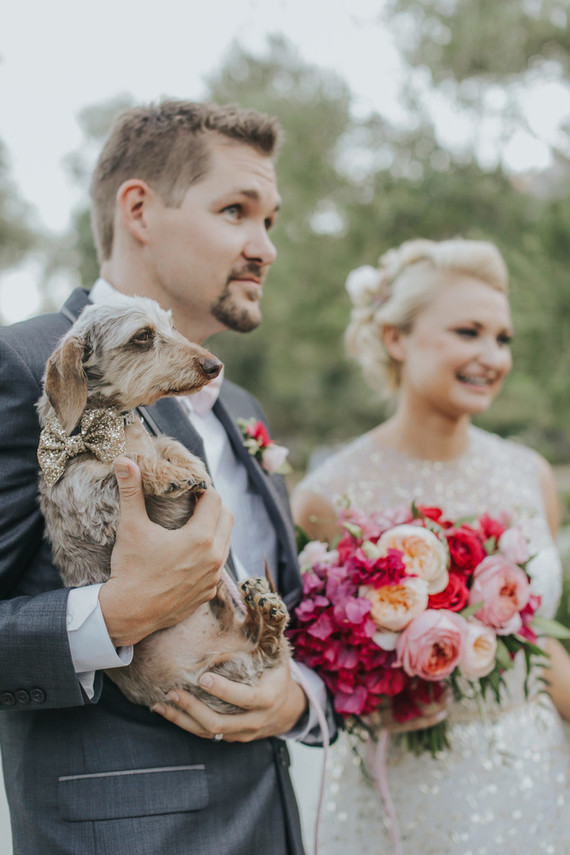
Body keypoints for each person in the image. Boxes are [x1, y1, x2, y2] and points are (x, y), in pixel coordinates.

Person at [0, 100, 334, 855]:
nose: (264, 246)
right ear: (139, 209)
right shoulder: (25, 368)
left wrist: (294, 700)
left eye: (271, 221)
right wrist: (112, 616)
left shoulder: (241, 408)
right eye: (235, 210)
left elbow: (276, 601)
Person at [292, 237, 570, 854]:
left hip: (535, 778)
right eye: (468, 331)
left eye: (502, 338)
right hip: (402, 793)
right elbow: (318, 664)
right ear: (397, 338)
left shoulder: (530, 473)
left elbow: (544, 645)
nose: (492, 356)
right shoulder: (326, 497)